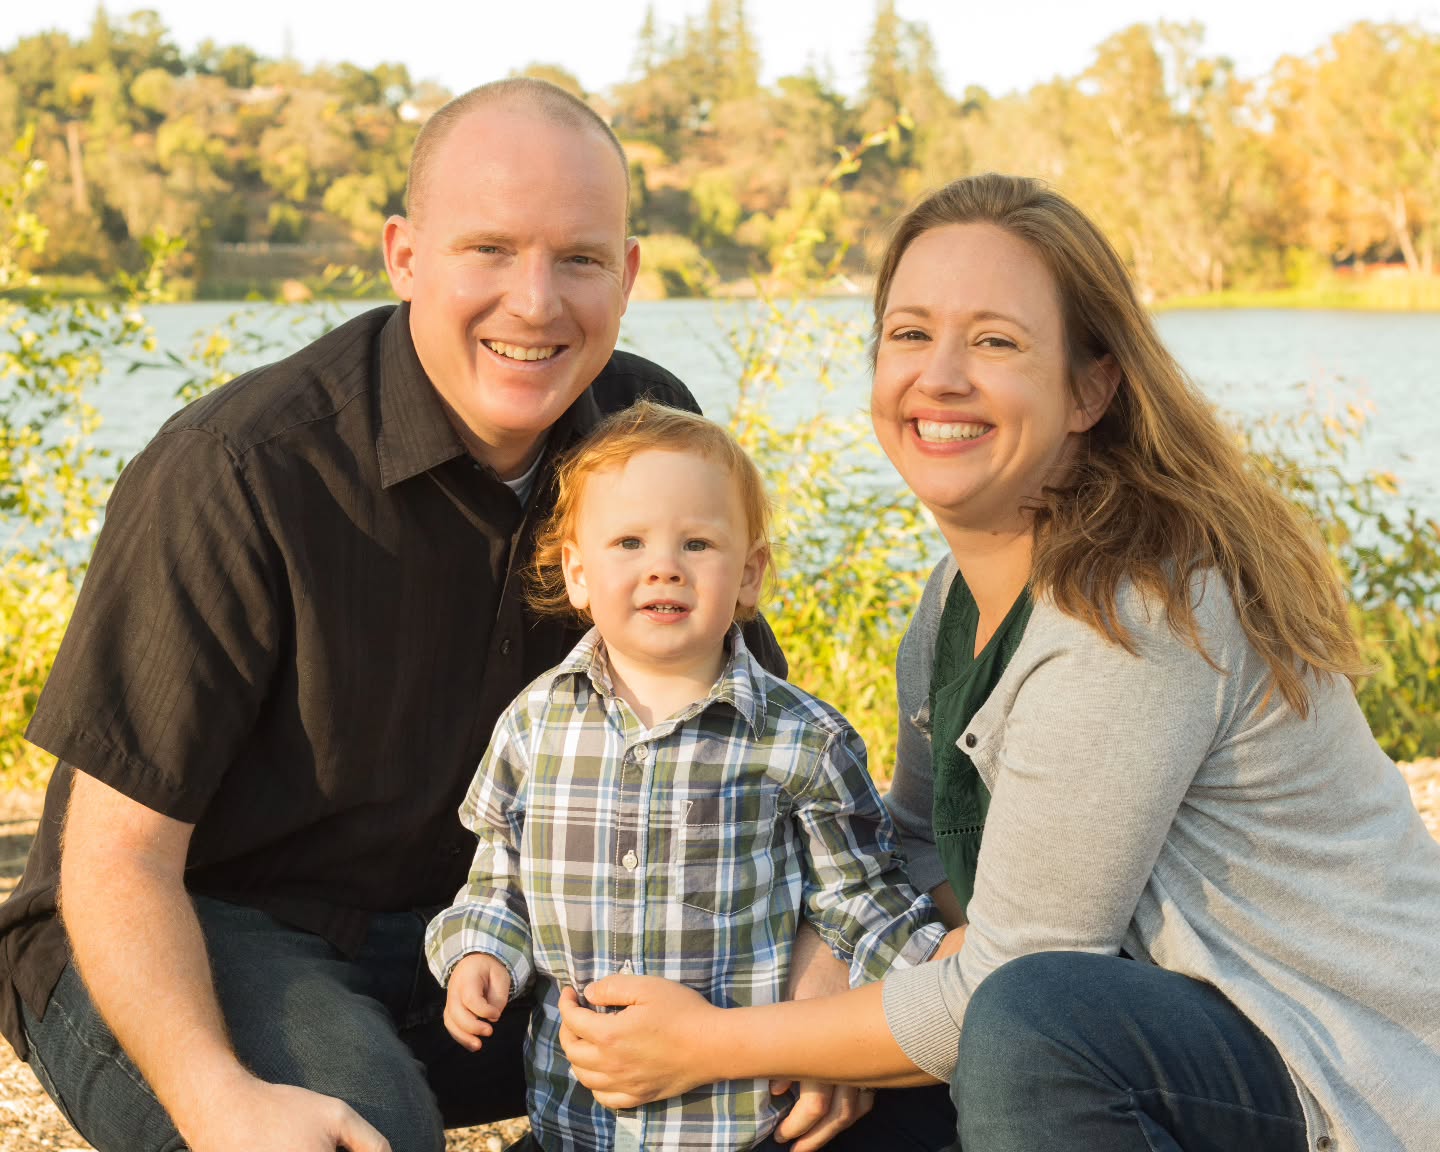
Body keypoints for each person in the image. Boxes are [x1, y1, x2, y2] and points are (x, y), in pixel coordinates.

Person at [554, 173, 1440, 1152]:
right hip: (1141, 1040)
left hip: (1327, 1071)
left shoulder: (1138, 607)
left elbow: (1002, 984)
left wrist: (714, 1044)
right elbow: (910, 859)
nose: (940, 376)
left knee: (1028, 1020)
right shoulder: (950, 607)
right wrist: (818, 963)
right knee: (815, 1106)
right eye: (910, 334)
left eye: (996, 342)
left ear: (1089, 387)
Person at [0, 78, 797, 1152]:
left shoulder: (645, 435)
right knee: (350, 1128)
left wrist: (803, 1013)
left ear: (629, 275)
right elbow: (114, 863)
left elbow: (756, 744)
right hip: (201, 929)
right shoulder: (239, 471)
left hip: (489, 931)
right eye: (489, 250)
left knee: (812, 1078)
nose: (535, 303)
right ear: (405, 256)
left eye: (579, 259)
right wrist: (215, 1099)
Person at [424, 402, 948, 1152]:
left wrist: (934, 990)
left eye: (697, 543)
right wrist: (479, 952)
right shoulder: (534, 726)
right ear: (577, 572)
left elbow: (860, 898)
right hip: (577, 1120)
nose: (663, 565)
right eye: (629, 541)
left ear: (748, 574)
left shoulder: (801, 738)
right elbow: (498, 882)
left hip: (738, 1125)